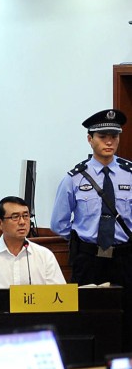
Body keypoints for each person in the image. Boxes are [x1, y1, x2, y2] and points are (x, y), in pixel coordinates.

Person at [51, 109, 132, 347]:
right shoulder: (74, 178)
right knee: (86, 315)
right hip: (89, 259)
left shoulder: (129, 174)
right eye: (102, 136)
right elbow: (59, 222)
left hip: (124, 258)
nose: (109, 141)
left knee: (126, 316)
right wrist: (84, 240)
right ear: (90, 139)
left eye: (114, 136)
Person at [0, 196, 65, 289]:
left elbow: (59, 295)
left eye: (25, 216)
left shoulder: (45, 255)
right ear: (0, 223)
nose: (22, 222)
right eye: (15, 217)